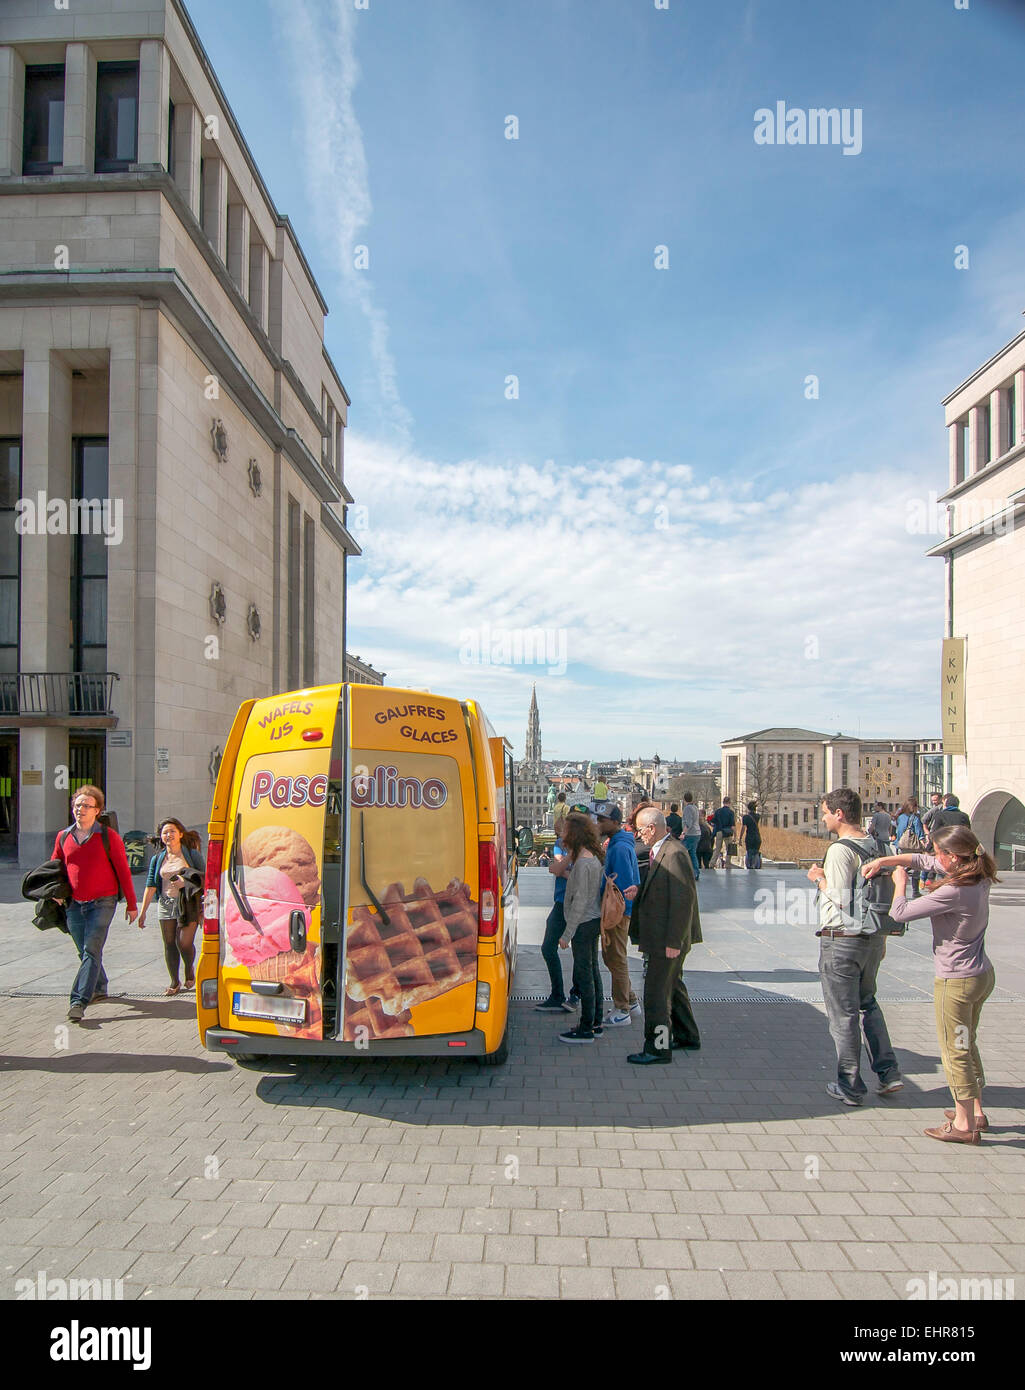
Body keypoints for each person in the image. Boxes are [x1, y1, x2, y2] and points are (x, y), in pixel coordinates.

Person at [862, 825, 997, 1144]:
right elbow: (924, 861)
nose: (934, 857)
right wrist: (887, 861)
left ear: (953, 857)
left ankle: (963, 1125)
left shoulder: (955, 892)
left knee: (956, 1050)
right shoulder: (979, 875)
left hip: (956, 983)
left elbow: (901, 913)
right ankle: (975, 1109)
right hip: (981, 976)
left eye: (939, 852)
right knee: (968, 1041)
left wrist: (899, 882)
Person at [806, 788, 902, 1106]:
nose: (822, 817)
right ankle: (888, 1073)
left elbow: (839, 897)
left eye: (825, 812)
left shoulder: (839, 850)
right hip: (874, 937)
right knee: (867, 1003)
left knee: (843, 1014)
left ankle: (849, 1085)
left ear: (839, 814)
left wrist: (818, 878)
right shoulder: (878, 844)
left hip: (842, 939)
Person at [624, 808, 702, 1063]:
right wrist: (641, 889)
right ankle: (687, 1034)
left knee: (656, 993)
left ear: (653, 828)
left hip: (666, 939)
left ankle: (657, 1048)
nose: (638, 835)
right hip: (664, 937)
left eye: (640, 830)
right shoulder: (664, 850)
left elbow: (683, 901)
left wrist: (673, 942)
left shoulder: (675, 853)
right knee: (673, 985)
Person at [55, 785, 139, 1022]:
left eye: (86, 806)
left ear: (98, 811)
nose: (80, 809)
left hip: (103, 902)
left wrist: (132, 904)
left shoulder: (108, 837)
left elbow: (123, 871)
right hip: (74, 904)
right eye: (77, 805)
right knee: (84, 951)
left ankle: (78, 1001)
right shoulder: (64, 836)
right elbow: (55, 866)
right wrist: (55, 891)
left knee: (91, 949)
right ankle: (99, 986)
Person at [138, 818, 206, 995]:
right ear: (161, 837)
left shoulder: (191, 854)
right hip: (166, 904)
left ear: (180, 834)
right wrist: (143, 911)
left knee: (184, 942)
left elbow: (205, 877)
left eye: (172, 831)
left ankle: (189, 969)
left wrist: (187, 882)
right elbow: (151, 884)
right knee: (169, 943)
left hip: (188, 903)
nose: (168, 835)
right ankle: (174, 982)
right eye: (165, 833)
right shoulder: (158, 858)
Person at [557, 813, 606, 1043]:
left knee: (585, 975)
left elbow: (581, 901)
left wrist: (568, 933)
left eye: (566, 831)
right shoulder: (592, 858)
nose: (563, 835)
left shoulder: (584, 863)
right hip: (593, 921)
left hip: (584, 925)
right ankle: (596, 1022)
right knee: (593, 971)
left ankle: (586, 1028)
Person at [596, 806, 641, 1026]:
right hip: (619, 911)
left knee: (616, 958)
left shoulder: (619, 848)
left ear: (614, 822)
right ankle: (630, 1000)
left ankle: (622, 1008)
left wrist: (614, 912)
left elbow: (623, 885)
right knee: (613, 957)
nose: (598, 823)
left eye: (602, 820)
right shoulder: (620, 844)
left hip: (617, 912)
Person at [536, 817, 573, 1012]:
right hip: (564, 900)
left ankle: (561, 995)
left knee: (549, 947)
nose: (559, 836)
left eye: (561, 831)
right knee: (584, 954)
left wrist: (564, 871)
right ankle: (570, 994)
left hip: (567, 901)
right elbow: (557, 868)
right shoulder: (562, 844)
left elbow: (558, 868)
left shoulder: (576, 847)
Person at [894, 799, 926, 898]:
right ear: (913, 807)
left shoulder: (900, 817)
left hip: (901, 845)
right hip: (913, 847)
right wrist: (923, 845)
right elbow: (919, 833)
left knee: (902, 868)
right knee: (916, 869)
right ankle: (915, 891)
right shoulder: (914, 818)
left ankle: (899, 892)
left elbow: (898, 831)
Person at [680, 792, 701, 880]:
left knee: (681, 852)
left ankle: (683, 872)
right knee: (692, 853)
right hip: (696, 833)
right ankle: (695, 872)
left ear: (684, 799)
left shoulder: (687, 808)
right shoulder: (695, 807)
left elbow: (688, 822)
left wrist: (683, 833)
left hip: (690, 834)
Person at [712, 798, 736, 870]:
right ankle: (727, 864)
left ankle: (712, 863)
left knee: (718, 849)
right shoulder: (731, 812)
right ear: (729, 802)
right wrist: (735, 835)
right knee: (729, 849)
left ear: (723, 802)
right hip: (728, 832)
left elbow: (713, 822)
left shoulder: (718, 811)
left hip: (719, 832)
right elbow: (733, 825)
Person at [739, 801, 762, 869]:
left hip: (749, 836)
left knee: (749, 851)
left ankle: (750, 864)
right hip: (757, 836)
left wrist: (740, 838)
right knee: (755, 851)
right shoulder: (758, 816)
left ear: (748, 808)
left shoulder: (745, 817)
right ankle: (755, 864)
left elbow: (743, 828)